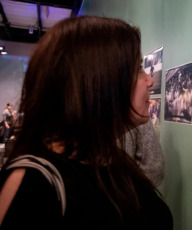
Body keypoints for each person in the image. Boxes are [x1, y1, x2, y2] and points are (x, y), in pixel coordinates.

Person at [0, 16, 173, 229]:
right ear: (100, 81)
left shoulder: (111, 160)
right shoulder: (35, 183)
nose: (150, 80)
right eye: (138, 69)